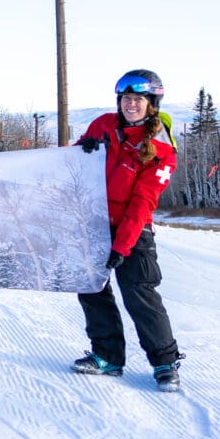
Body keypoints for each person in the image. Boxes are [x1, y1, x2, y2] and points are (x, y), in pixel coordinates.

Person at [72, 69, 183, 392]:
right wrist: (83, 147)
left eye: (138, 99)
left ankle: (165, 362)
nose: (130, 105)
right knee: (92, 289)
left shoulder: (162, 150)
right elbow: (74, 162)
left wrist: (122, 247)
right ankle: (107, 355)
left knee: (139, 293)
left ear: (152, 104)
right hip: (94, 222)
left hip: (133, 231)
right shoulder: (103, 125)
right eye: (126, 99)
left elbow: (142, 202)